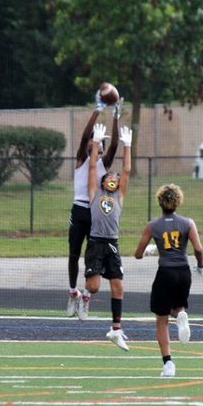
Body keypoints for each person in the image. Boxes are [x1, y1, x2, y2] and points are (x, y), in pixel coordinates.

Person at [134, 184, 203, 378]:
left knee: (161, 320)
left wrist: (151, 249)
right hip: (183, 272)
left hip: (165, 272)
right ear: (178, 201)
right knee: (177, 308)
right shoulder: (188, 223)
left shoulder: (153, 226)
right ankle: (181, 314)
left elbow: (138, 254)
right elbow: (198, 248)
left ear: (160, 201)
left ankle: (168, 364)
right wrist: (200, 266)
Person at [67, 88, 122, 320]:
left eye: (101, 144)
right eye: (96, 142)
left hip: (96, 214)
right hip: (79, 210)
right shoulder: (82, 159)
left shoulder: (103, 163)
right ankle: (72, 292)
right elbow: (84, 137)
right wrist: (97, 111)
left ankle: (86, 296)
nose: (99, 145)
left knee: (94, 256)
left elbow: (115, 145)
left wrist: (116, 116)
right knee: (73, 253)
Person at [84, 121, 132, 350]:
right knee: (93, 288)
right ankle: (85, 293)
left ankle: (116, 329)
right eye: (110, 176)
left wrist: (127, 146)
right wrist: (95, 144)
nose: (113, 178)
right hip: (95, 243)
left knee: (118, 287)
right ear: (104, 182)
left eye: (116, 177)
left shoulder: (119, 196)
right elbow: (93, 167)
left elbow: (127, 171)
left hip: (112, 244)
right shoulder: (95, 193)